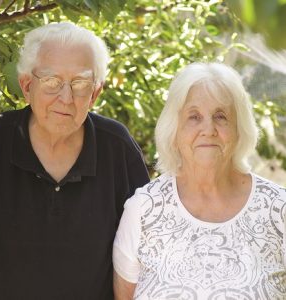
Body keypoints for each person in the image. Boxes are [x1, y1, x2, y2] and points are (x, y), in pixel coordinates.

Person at [0, 22, 149, 300]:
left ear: (95, 93)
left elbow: (146, 249)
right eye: (51, 81)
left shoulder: (116, 147)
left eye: (80, 83)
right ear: (27, 86)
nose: (66, 97)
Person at [113, 62, 286, 299]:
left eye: (221, 116)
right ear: (174, 130)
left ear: (239, 129)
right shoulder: (142, 210)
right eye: (194, 117)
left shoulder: (279, 210)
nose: (208, 129)